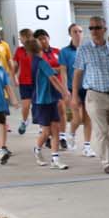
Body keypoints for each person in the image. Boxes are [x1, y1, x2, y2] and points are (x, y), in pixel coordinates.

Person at [71, 16, 109, 175]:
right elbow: (77, 73)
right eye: (91, 28)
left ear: (104, 29)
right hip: (94, 96)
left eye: (97, 28)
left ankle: (106, 152)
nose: (94, 31)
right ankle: (107, 163)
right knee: (101, 131)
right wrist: (74, 95)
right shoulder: (84, 49)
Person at [26, 30, 72, 170]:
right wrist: (65, 92)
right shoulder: (41, 63)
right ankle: (37, 149)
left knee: (55, 129)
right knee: (46, 132)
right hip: (42, 101)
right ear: (39, 47)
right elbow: (53, 79)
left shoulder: (37, 62)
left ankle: (55, 159)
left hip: (51, 99)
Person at [57, 23, 94, 156]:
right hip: (73, 88)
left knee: (88, 118)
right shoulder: (65, 52)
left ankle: (87, 147)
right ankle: (71, 133)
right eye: (75, 32)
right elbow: (63, 72)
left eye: (80, 31)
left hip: (88, 88)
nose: (78, 34)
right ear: (70, 34)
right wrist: (65, 90)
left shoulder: (88, 50)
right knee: (78, 118)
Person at [15, 28, 34, 134]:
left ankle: (42, 127)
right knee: (26, 106)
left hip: (36, 82)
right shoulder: (19, 50)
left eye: (21, 37)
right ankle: (24, 121)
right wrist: (14, 76)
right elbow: (16, 65)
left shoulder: (36, 49)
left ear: (26, 37)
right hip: (24, 82)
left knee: (38, 106)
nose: (19, 39)